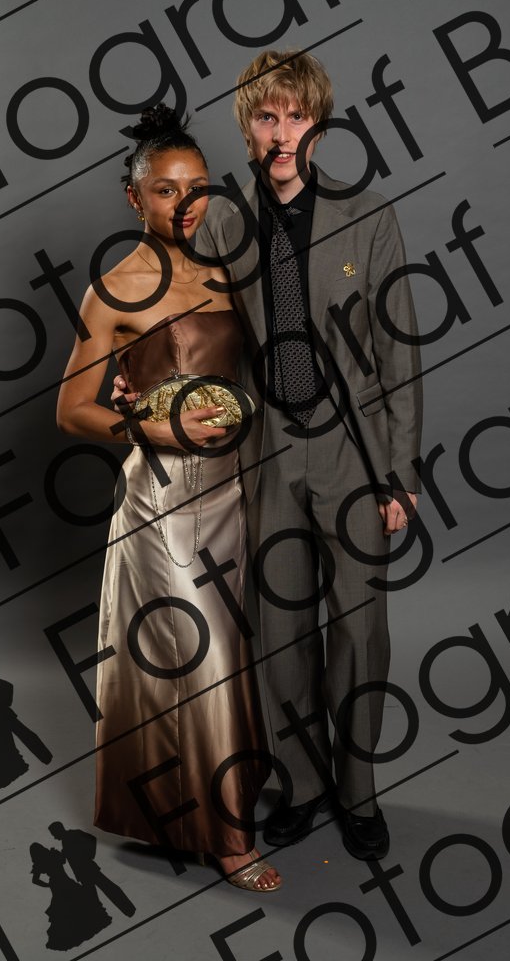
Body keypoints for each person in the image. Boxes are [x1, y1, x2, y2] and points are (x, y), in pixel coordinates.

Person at [116, 50, 422, 860]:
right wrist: (134, 372)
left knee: (360, 628)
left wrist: (402, 475)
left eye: (297, 116)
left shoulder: (369, 216)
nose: (282, 134)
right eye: (266, 117)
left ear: (318, 126)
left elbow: (399, 353)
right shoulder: (222, 220)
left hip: (352, 451)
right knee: (281, 634)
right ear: (247, 128)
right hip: (268, 450)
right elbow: (176, 300)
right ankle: (305, 786)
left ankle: (358, 792)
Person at [56, 105, 281, 892]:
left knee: (228, 653)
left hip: (234, 491)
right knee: (203, 653)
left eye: (198, 188)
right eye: (165, 190)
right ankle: (229, 839)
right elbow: (71, 410)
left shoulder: (227, 272)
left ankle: (198, 803)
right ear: (134, 198)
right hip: (160, 503)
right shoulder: (113, 290)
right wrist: (149, 422)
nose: (186, 205)